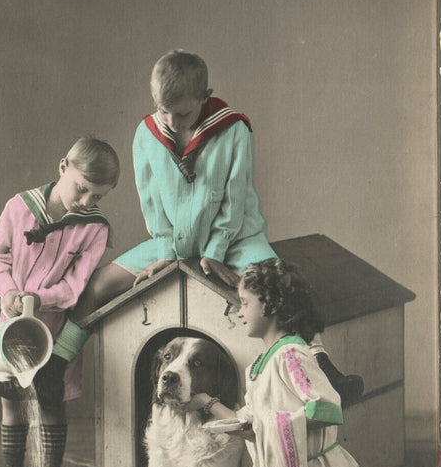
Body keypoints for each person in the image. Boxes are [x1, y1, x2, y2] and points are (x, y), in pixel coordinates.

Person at [35, 50, 362, 404]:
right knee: (97, 285)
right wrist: (165, 253)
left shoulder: (235, 129)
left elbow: (234, 203)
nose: (173, 122)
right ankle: (57, 366)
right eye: (163, 111)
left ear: (205, 97)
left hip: (236, 238)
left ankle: (325, 372)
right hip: (172, 241)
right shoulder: (145, 135)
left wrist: (215, 254)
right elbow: (153, 204)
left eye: (183, 113)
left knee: (282, 287)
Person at [187, 259, 382, 467]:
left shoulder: (292, 355)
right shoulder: (260, 364)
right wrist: (223, 413)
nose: (239, 312)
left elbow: (327, 407)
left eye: (245, 303)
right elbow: (251, 417)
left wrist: (269, 426)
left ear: (271, 304)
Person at [0, 136, 120, 467]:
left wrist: (42, 299)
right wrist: (8, 290)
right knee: (12, 400)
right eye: (81, 189)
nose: (86, 201)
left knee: (52, 402)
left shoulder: (94, 229)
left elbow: (75, 286)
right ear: (62, 167)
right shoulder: (19, 207)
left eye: (97, 196)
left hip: (56, 328)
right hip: (13, 323)